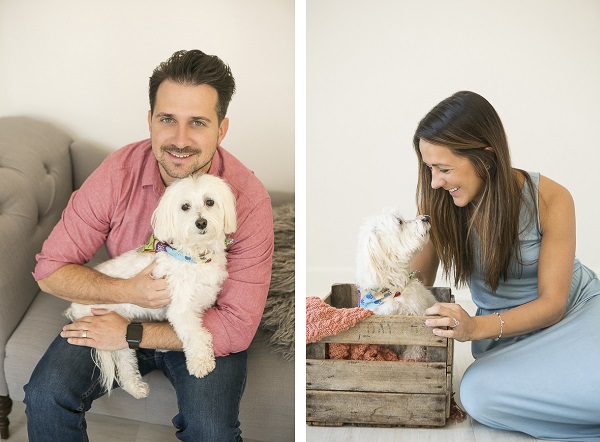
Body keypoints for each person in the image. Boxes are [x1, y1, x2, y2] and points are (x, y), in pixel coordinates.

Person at [25, 49, 274, 441]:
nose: (179, 139)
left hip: (198, 322)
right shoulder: (117, 172)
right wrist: (125, 292)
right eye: (167, 120)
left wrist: (130, 333)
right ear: (150, 121)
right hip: (117, 307)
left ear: (221, 130)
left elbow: (238, 326)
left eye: (197, 123)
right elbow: (49, 272)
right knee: (44, 394)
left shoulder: (248, 198)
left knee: (212, 430)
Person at [412, 91, 600, 441]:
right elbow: (414, 281)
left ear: (485, 156)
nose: (435, 180)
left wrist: (473, 328)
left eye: (444, 168)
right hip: (506, 337)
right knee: (477, 396)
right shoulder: (441, 199)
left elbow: (553, 304)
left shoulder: (551, 198)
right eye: (429, 168)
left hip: (577, 314)